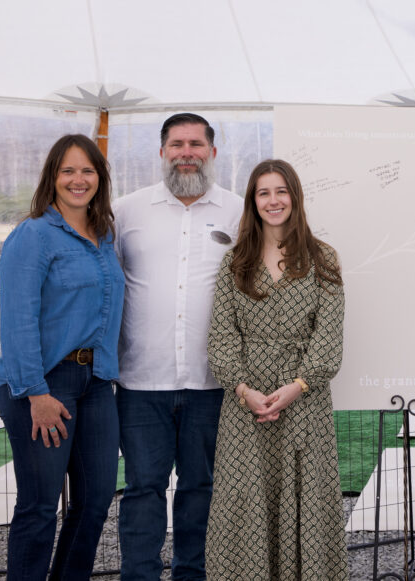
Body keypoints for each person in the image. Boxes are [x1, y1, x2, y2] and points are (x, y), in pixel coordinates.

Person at [113, 113, 244, 581]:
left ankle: (194, 574)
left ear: (212, 151)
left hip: (212, 383)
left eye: (195, 143)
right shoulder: (126, 211)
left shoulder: (237, 211)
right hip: (141, 381)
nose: (186, 151)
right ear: (162, 151)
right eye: (176, 143)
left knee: (201, 489)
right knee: (143, 490)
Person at [204, 159, 348, 580]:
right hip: (245, 406)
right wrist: (243, 389)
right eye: (263, 192)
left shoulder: (323, 258)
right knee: (244, 502)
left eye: (281, 191)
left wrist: (298, 386)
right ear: (253, 200)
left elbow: (329, 337)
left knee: (306, 503)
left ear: (295, 197)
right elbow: (221, 336)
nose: (273, 200)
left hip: (304, 403)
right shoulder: (234, 263)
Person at [0, 134, 124, 580]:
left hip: (96, 384)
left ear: (100, 179)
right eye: (67, 170)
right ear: (52, 176)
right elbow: (17, 319)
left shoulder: (104, 236)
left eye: (87, 170)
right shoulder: (33, 235)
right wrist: (36, 393)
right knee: (40, 506)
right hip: (44, 383)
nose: (78, 179)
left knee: (95, 500)